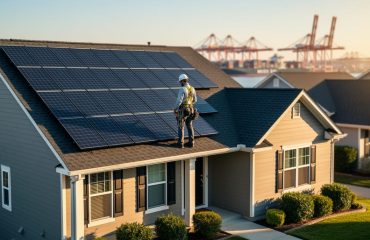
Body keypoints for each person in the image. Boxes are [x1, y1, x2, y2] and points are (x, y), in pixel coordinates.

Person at [174, 73, 197, 148]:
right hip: (191, 109)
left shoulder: (182, 89)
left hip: (183, 109)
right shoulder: (192, 88)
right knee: (190, 125)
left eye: (180, 82)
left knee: (181, 126)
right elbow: (195, 100)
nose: (180, 83)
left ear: (183, 81)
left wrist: (175, 109)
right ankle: (191, 142)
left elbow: (179, 101)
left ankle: (180, 143)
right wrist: (189, 104)